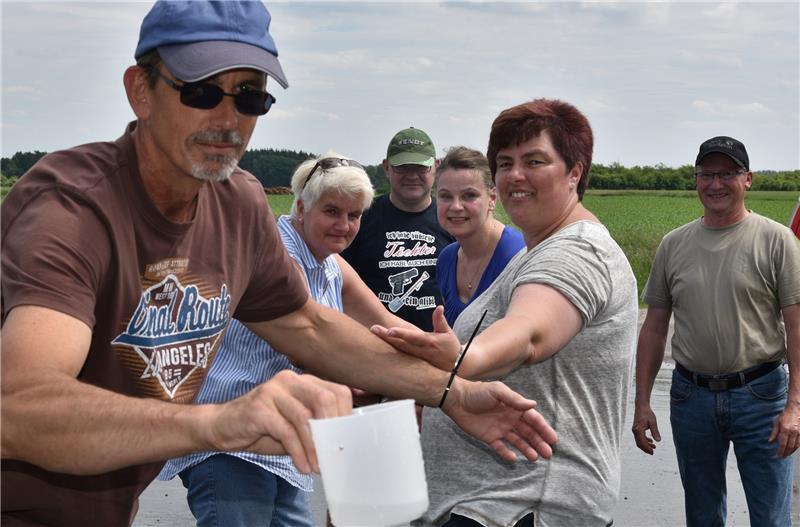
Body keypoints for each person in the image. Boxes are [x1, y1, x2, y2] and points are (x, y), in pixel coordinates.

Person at [0, 3, 559, 525]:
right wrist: (219, 423)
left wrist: (452, 390)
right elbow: (18, 406)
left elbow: (310, 326)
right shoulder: (73, 208)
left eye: (250, 97)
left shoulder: (236, 202)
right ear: (140, 91)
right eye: (200, 91)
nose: (228, 118)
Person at [372, 99, 639, 526]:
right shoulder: (534, 251)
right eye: (505, 162)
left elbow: (530, 330)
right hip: (486, 504)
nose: (516, 175)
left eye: (535, 161)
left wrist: (463, 359)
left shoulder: (579, 251)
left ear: (575, 171)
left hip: (525, 507)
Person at [158, 152, 415, 526]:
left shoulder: (331, 264)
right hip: (230, 441)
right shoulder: (277, 255)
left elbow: (388, 325)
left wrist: (454, 361)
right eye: (332, 211)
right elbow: (317, 348)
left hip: (281, 444)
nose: (344, 225)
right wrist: (407, 386)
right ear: (300, 207)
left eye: (354, 215)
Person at [632, 136, 800, 527]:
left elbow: (796, 326)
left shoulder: (777, 241)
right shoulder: (674, 245)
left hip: (762, 397)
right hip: (692, 397)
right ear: (696, 180)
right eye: (707, 174)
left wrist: (795, 406)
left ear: (748, 179)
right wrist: (642, 402)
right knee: (702, 514)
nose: (716, 184)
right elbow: (654, 328)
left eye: (727, 173)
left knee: (771, 516)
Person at [341, 127, 455, 332]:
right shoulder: (359, 218)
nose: (412, 176)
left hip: (439, 342)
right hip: (375, 343)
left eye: (421, 167)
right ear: (386, 167)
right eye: (402, 167)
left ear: (436, 167)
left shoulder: (453, 217)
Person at [434, 146, 525, 326]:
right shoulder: (446, 259)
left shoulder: (518, 256)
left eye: (469, 195)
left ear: (492, 198)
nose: (456, 206)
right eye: (445, 196)